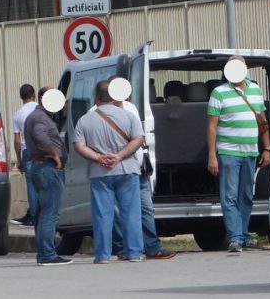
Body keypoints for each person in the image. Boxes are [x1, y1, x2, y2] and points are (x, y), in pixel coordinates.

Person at [72, 81, 145, 264]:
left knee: (103, 215)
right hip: (127, 169)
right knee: (131, 213)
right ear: (113, 95)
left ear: (95, 97)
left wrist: (99, 158)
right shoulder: (128, 116)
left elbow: (79, 146)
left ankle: (103, 255)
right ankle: (134, 252)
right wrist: (119, 156)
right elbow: (139, 139)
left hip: (100, 173)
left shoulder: (85, 120)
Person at [207, 56, 270, 253]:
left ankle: (243, 235)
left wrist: (267, 148)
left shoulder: (256, 90)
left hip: (251, 152)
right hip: (228, 152)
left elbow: (263, 121)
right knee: (230, 196)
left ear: (245, 68)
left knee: (246, 195)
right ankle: (235, 237)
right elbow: (212, 126)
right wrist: (212, 155)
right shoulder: (219, 92)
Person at [110, 91, 175, 261]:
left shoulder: (130, 107)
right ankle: (123, 248)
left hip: (139, 169)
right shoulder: (98, 111)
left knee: (146, 208)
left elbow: (139, 136)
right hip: (118, 170)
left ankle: (153, 247)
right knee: (119, 211)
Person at [25, 86, 72, 266]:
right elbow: (40, 136)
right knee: (50, 213)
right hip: (47, 167)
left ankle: (44, 253)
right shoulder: (40, 118)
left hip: (40, 167)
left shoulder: (37, 116)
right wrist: (53, 153)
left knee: (44, 213)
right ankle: (47, 254)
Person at [11, 84, 39, 227]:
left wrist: (19, 159)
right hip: (43, 149)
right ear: (33, 94)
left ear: (21, 97)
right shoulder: (40, 109)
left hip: (27, 150)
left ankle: (34, 217)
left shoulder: (18, 114)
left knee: (32, 186)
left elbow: (17, 140)